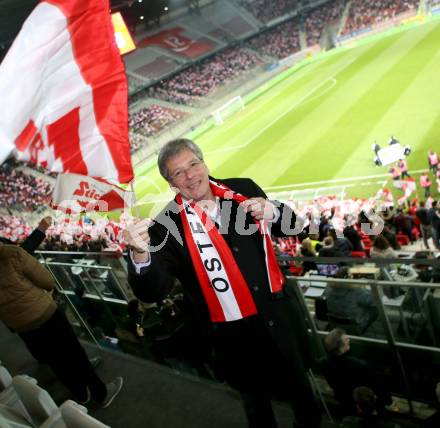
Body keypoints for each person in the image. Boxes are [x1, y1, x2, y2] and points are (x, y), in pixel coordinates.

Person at [124, 138, 321, 428]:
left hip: (276, 314)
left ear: (204, 163)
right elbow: (152, 291)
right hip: (230, 335)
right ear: (171, 183)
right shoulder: (166, 225)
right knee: (256, 406)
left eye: (193, 164)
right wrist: (140, 253)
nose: (190, 175)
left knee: (302, 392)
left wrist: (275, 212)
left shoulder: (243, 188)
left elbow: (294, 227)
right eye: (178, 172)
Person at [0, 244, 123, 408]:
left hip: (21, 325)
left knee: (55, 360)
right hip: (44, 313)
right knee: (73, 351)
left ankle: (80, 393)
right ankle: (101, 393)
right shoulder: (11, 253)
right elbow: (47, 281)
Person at [319, 329, 392, 417]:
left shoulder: (323, 362)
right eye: (346, 340)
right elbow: (377, 384)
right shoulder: (359, 365)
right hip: (364, 403)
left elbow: (332, 383)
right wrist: (387, 400)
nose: (349, 339)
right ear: (341, 347)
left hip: (344, 399)